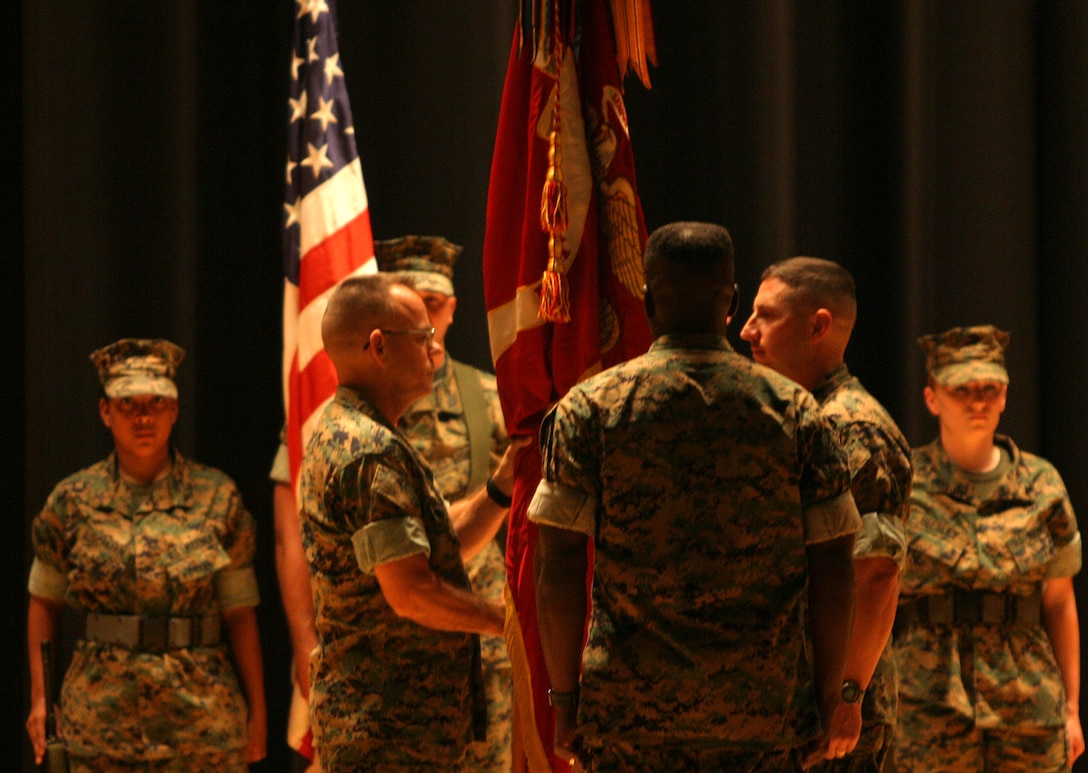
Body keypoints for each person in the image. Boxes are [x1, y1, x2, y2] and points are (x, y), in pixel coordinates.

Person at [529, 221, 862, 772]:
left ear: (648, 301)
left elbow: (558, 566)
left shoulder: (589, 408)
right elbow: (834, 566)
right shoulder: (796, 410)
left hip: (631, 719)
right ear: (730, 303)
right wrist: (828, 702)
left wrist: (564, 704)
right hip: (763, 716)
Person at [298, 273, 527, 771]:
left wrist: (500, 488)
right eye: (422, 338)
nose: (435, 350)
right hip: (387, 729)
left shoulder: (364, 434)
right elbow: (411, 592)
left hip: (401, 723)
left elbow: (437, 548)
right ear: (379, 347)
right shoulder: (367, 452)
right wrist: (509, 622)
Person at [25, 338, 267, 772]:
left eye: (157, 402)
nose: (143, 416)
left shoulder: (217, 496)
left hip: (202, 719)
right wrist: (41, 700)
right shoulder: (72, 500)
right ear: (105, 412)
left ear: (174, 411)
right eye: (127, 404)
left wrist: (259, 712)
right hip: (101, 720)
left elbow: (240, 614)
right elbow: (44, 602)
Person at [740, 257, 912, 772]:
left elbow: (877, 572)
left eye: (766, 315)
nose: (748, 329)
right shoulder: (805, 415)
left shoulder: (851, 427)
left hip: (831, 708)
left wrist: (848, 695)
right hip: (798, 696)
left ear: (818, 325)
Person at [894, 325, 1084, 772]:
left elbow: (1058, 602)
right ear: (932, 398)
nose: (977, 401)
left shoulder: (1042, 484)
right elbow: (875, 591)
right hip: (927, 696)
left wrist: (1072, 710)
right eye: (961, 389)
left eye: (989, 388)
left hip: (1028, 699)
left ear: (1003, 396)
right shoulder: (904, 482)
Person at [375, 234, 513, 772]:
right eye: (407, 305)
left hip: (478, 639)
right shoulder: (358, 406)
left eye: (431, 305)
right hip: (384, 649)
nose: (423, 322)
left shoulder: (490, 399)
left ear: (452, 309)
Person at [269, 433, 322, 772]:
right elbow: (292, 541)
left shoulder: (481, 399)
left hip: (458, 662)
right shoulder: (322, 411)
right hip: (350, 665)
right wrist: (306, 644)